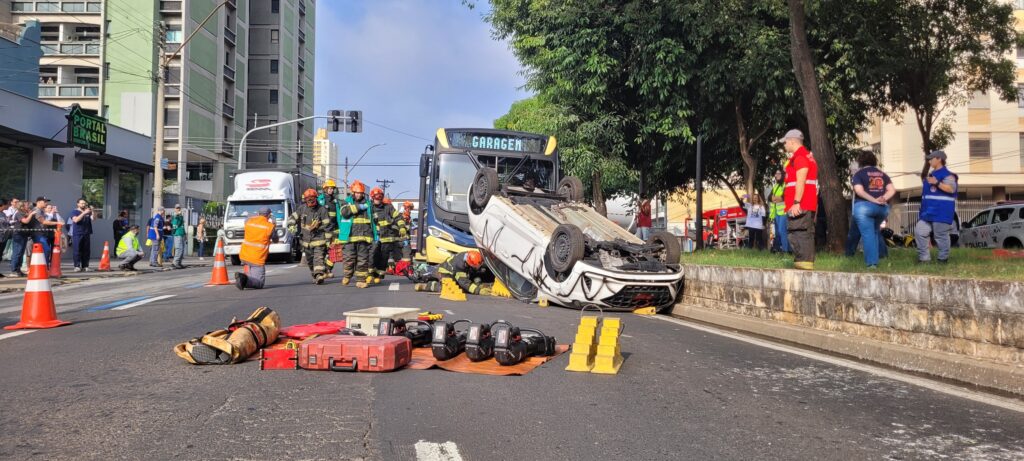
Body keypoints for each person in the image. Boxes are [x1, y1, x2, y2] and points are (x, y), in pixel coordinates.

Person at [848, 151, 896, 268]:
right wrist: (883, 198)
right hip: (882, 209)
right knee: (874, 232)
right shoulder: (882, 174)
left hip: (864, 208)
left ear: (860, 162)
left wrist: (872, 200)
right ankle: (880, 257)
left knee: (868, 234)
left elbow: (859, 191)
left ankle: (872, 263)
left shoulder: (859, 174)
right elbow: (892, 190)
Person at [779, 129, 819, 270]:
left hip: (800, 204)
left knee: (799, 233)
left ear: (792, 141)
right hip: (804, 203)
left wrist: (796, 202)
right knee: (800, 233)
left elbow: (800, 181)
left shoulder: (800, 158)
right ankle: (802, 264)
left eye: (785, 142)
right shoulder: (805, 157)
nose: (784, 145)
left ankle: (804, 265)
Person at [915, 150, 958, 264]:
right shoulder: (932, 175)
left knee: (941, 236)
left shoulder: (948, 175)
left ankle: (942, 259)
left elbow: (951, 189)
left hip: (941, 211)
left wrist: (937, 183)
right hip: (927, 213)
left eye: (931, 158)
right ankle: (924, 259)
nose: (929, 161)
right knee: (920, 231)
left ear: (939, 159)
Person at [288, 188, 331, 284]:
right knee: (310, 261)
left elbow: (327, 225)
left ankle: (319, 274)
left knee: (318, 257)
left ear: (316, 198)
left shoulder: (322, 209)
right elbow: (292, 217)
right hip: (306, 241)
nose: (310, 200)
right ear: (305, 199)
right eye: (308, 199)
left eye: (312, 198)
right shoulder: (302, 209)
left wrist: (319, 227)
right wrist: (291, 225)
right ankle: (315, 274)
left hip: (319, 239)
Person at [339, 181, 376, 288]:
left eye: (360, 193)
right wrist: (359, 207)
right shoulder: (346, 202)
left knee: (363, 260)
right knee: (349, 259)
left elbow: (374, 219)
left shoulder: (369, 205)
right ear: (353, 192)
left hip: (364, 237)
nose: (359, 194)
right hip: (349, 237)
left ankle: (360, 280)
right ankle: (347, 275)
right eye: (357, 192)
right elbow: (344, 212)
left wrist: (375, 235)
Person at [413, 250, 493, 296]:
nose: (477, 268)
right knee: (450, 288)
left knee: (474, 276)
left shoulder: (470, 255)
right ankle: (426, 286)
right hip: (445, 272)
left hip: (453, 269)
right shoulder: (460, 265)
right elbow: (464, 282)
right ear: (469, 263)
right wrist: (478, 291)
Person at [236, 207, 279, 290]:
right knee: (259, 283)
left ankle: (245, 278)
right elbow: (276, 240)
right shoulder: (269, 227)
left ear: (258, 214)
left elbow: (247, 219)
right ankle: (243, 279)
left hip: (244, 255)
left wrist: (256, 216)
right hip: (257, 258)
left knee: (253, 274)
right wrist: (274, 226)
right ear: (269, 215)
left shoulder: (249, 221)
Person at [369, 187, 406, 281]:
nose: (378, 200)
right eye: (376, 198)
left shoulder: (388, 207)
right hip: (374, 237)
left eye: (380, 198)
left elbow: (398, 217)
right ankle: (370, 274)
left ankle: (379, 275)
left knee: (384, 257)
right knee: (373, 255)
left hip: (387, 238)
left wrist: (401, 227)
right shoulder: (369, 208)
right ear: (372, 198)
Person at [318, 179, 340, 277]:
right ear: (325, 189)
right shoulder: (321, 200)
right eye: (329, 188)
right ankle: (321, 271)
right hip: (323, 230)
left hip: (334, 229)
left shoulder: (335, 201)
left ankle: (328, 269)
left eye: (332, 188)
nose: (331, 190)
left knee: (334, 251)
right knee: (322, 251)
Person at [26, 197, 52, 267]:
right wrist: (57, 222)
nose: (46, 203)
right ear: (38, 202)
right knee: (46, 250)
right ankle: (43, 268)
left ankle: (43, 268)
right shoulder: (36, 210)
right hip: (37, 234)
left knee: (43, 251)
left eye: (46, 201)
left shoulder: (42, 210)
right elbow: (43, 221)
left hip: (42, 234)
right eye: (44, 202)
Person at [69, 198, 94, 272]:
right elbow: (75, 220)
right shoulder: (74, 211)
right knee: (77, 250)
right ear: (78, 204)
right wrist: (83, 213)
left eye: (84, 203)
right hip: (77, 233)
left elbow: (94, 218)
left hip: (87, 233)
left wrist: (93, 211)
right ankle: (77, 266)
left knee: (86, 250)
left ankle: (85, 266)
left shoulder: (88, 212)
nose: (83, 205)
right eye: (82, 203)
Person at [767, 170, 789, 253]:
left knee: (781, 230)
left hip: (783, 212)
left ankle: (786, 250)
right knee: (777, 232)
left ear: (783, 175)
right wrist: (775, 198)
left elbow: (784, 196)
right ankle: (779, 249)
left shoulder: (785, 184)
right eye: (776, 173)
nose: (777, 175)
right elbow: (769, 197)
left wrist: (776, 198)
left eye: (779, 173)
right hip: (775, 213)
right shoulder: (775, 185)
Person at [8, 201, 30, 276]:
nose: (28, 206)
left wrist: (29, 213)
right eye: (26, 205)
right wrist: (31, 214)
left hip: (24, 234)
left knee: (21, 252)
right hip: (18, 234)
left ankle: (18, 270)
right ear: (22, 207)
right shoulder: (19, 213)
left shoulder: (24, 213)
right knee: (17, 252)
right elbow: (25, 221)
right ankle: (13, 270)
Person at [170, 204, 186, 269]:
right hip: (177, 234)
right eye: (177, 208)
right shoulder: (175, 216)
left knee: (182, 249)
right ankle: (175, 263)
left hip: (181, 234)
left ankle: (179, 262)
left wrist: (185, 234)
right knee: (179, 248)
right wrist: (177, 215)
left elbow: (182, 226)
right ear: (175, 209)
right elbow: (174, 225)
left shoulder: (181, 216)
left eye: (179, 208)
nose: (178, 209)